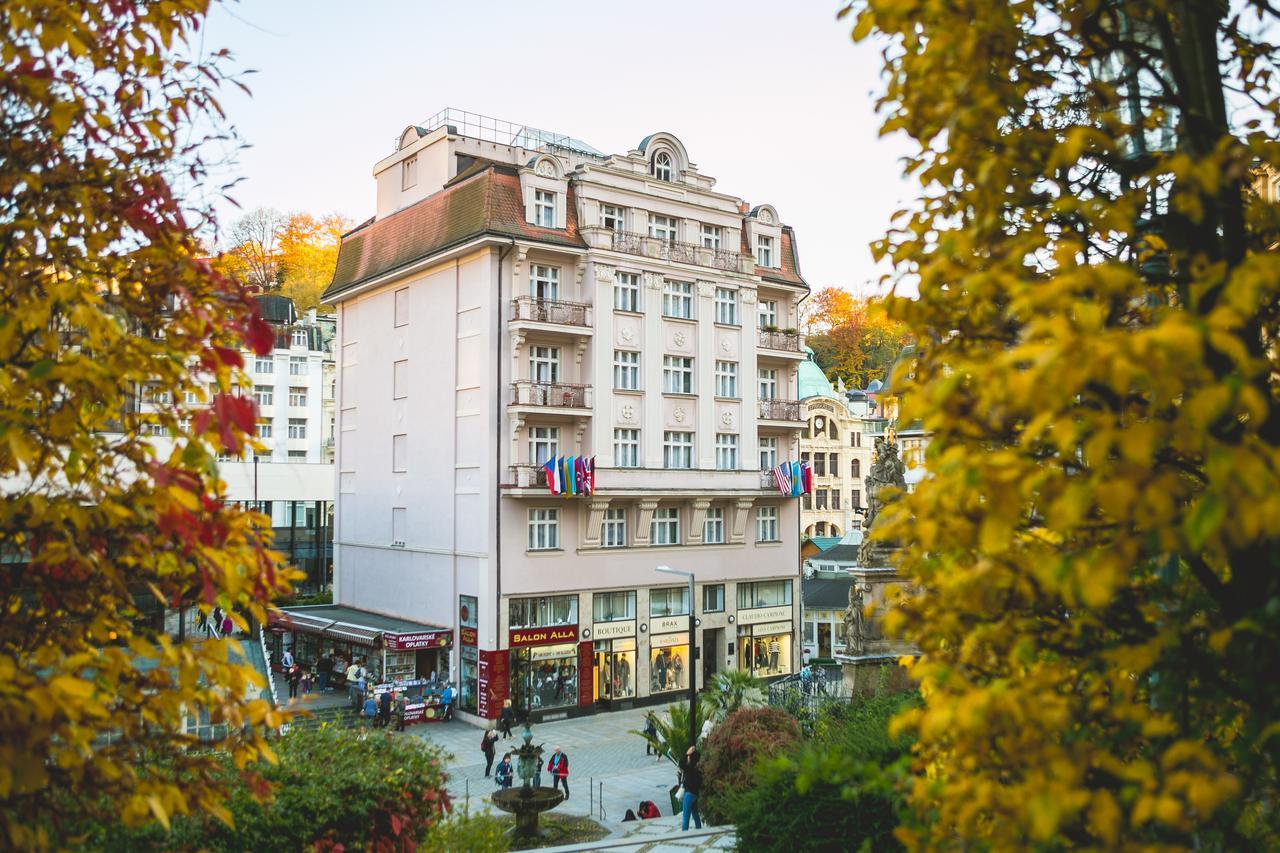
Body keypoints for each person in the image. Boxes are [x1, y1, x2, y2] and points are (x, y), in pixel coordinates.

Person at [678, 746, 703, 831]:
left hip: (689, 794)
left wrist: (687, 754)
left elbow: (681, 763)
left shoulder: (690, 769)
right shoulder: (698, 770)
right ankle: (699, 830)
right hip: (695, 794)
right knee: (695, 814)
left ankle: (684, 832)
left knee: (686, 816)